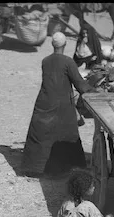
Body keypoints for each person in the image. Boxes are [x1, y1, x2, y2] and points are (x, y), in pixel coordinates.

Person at [22, 32, 96, 176]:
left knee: (42, 133)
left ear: (52, 44)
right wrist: (94, 91)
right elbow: (80, 84)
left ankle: (36, 167)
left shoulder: (45, 61)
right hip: (62, 103)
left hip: (44, 100)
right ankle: (67, 167)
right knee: (67, 133)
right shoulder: (68, 61)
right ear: (65, 44)